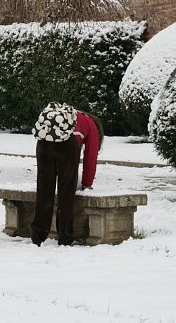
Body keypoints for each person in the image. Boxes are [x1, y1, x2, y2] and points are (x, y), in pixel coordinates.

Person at [31, 106, 103, 247]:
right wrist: (87, 183)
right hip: (68, 147)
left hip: (43, 144)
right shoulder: (91, 125)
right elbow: (90, 158)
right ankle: (65, 237)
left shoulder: (65, 114)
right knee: (66, 194)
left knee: (44, 191)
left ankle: (38, 236)